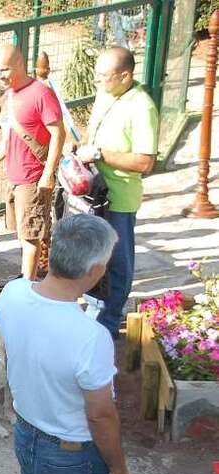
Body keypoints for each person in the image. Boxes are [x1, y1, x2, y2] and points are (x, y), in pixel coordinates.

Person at [0, 214, 142, 474]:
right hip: (72, 452)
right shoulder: (91, 336)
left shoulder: (12, 292)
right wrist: (119, 471)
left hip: (27, 433)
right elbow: (100, 415)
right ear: (95, 270)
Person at [75, 46, 158, 339]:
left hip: (119, 199)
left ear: (125, 76)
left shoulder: (142, 107)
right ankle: (93, 314)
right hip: (94, 195)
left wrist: (99, 153)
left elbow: (145, 162)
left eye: (104, 76)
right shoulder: (106, 94)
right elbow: (92, 133)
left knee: (117, 265)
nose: (97, 81)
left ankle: (107, 326)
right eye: (96, 75)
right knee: (94, 259)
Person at [0, 44, 66, 282]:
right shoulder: (9, 96)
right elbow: (9, 137)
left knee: (31, 236)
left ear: (20, 64)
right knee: (24, 233)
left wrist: (48, 173)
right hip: (15, 176)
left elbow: (58, 134)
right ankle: (30, 278)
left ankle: (27, 285)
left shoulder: (40, 93)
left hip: (33, 177)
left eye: (4, 69)